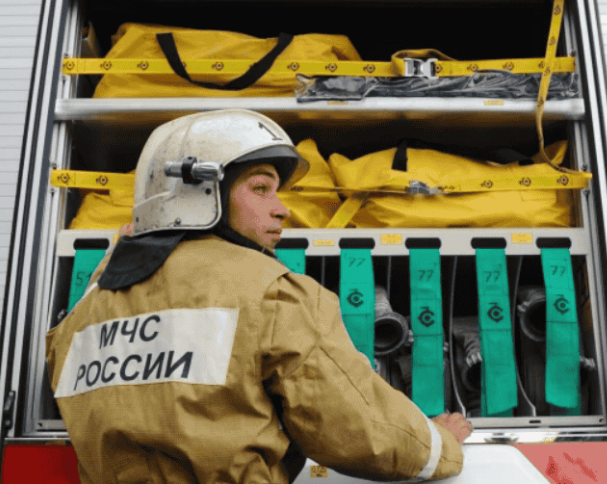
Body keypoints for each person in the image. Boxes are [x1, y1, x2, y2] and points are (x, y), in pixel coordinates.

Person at [46, 109, 470, 484]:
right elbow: (359, 430)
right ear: (202, 192)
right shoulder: (271, 290)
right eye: (261, 188)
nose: (282, 209)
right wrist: (441, 444)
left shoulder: (90, 303)